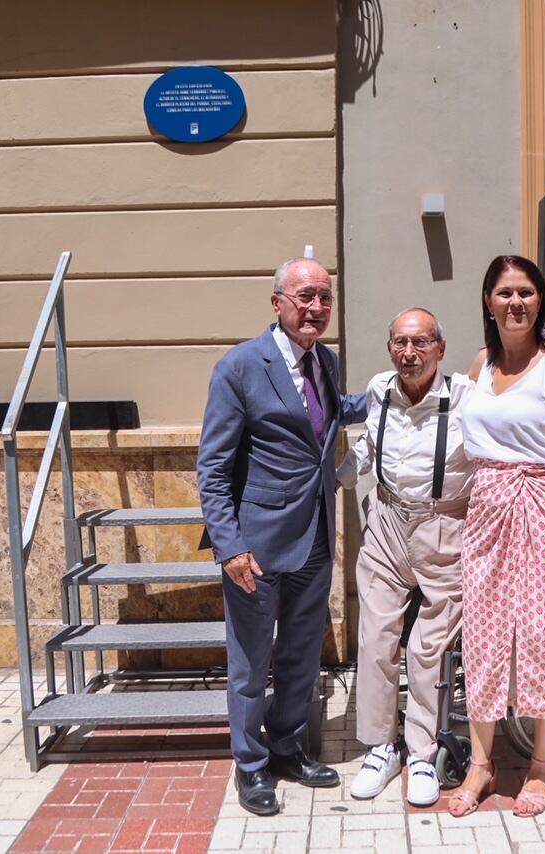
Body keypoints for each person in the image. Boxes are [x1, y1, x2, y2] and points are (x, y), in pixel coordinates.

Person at [197, 257, 368, 817]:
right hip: (258, 546)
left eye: (324, 297)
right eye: (304, 296)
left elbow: (331, 414)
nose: (315, 307)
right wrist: (229, 547)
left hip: (316, 535)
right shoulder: (241, 366)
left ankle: (288, 748)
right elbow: (214, 468)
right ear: (278, 303)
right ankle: (250, 765)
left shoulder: (328, 361)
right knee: (251, 663)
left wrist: (400, 390)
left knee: (300, 656)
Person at [448, 255, 545, 818]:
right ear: (488, 301)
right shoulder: (480, 363)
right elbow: (465, 447)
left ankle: (541, 764)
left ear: (541, 301)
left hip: (544, 514)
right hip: (488, 513)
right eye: (505, 293)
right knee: (483, 640)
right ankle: (482, 765)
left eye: (526, 293)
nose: (516, 303)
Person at [337, 308, 474, 807]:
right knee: (375, 638)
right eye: (399, 342)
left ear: (440, 347)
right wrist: (336, 477)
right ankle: (381, 747)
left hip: (445, 525)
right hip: (389, 521)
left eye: (420, 343)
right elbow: (370, 447)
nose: (409, 353)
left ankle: (421, 751)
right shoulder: (379, 389)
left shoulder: (466, 397)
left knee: (428, 647)